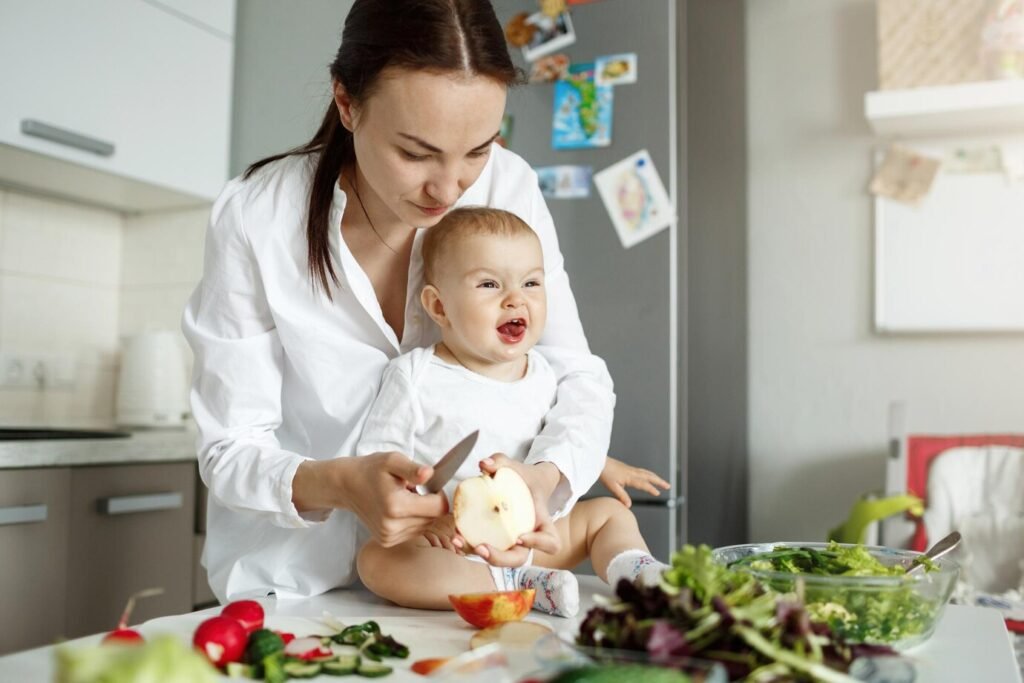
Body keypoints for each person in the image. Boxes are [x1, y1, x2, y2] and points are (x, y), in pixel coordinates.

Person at [184, 0, 622, 603]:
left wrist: (544, 479)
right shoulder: (257, 214)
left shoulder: (510, 185)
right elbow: (229, 447)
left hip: (467, 581)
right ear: (347, 103)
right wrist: (338, 483)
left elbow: (577, 375)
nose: (448, 187)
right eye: (416, 153)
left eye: (478, 149)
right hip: (289, 588)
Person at [355, 208, 670, 617]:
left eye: (531, 283)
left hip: (537, 538)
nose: (515, 298)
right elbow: (380, 462)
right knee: (377, 562)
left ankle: (639, 574)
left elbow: (547, 435)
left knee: (608, 514)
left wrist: (598, 463)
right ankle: (518, 586)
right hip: (457, 546)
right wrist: (424, 519)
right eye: (489, 284)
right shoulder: (415, 375)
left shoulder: (544, 372)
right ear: (439, 306)